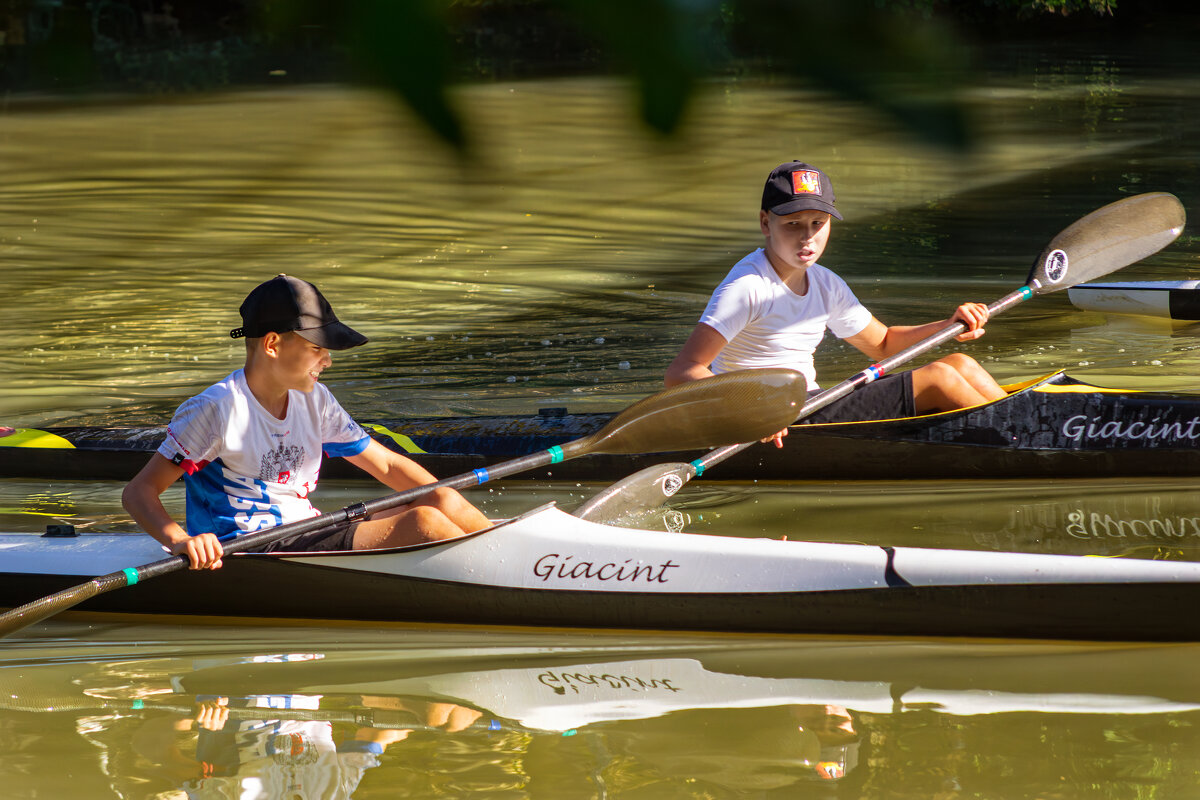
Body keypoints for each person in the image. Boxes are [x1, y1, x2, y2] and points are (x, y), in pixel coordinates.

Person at [122, 274, 491, 570]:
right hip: (249, 546)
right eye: (316, 348)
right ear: (272, 345)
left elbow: (390, 464)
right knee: (422, 523)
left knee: (442, 498)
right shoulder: (217, 409)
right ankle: (508, 576)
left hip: (310, 528)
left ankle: (522, 560)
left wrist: (446, 497)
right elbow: (139, 492)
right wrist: (181, 541)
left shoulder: (315, 399)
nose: (327, 361)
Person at [665, 161, 1007, 446]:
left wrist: (947, 326)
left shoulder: (826, 283)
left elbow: (885, 345)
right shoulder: (748, 286)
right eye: (793, 225)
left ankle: (1030, 425)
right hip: (770, 421)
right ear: (765, 223)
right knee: (938, 379)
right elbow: (682, 373)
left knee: (960, 364)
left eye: (818, 223)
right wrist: (753, 412)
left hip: (808, 402)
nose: (807, 237)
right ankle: (1019, 443)